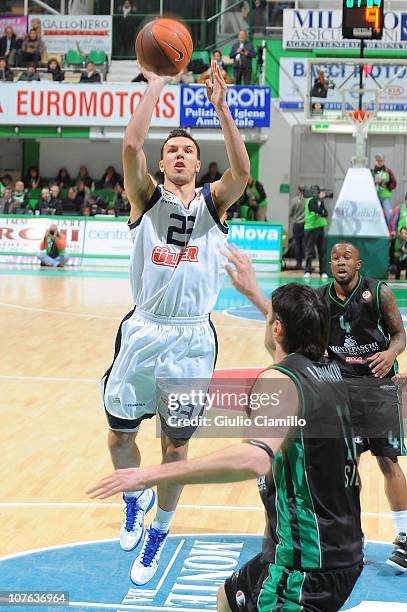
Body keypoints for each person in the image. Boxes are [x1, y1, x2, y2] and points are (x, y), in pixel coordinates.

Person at [88, 283, 363, 611]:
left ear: (277, 329)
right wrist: (253, 292)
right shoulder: (328, 369)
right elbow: (293, 333)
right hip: (339, 545)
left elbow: (253, 459)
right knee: (228, 598)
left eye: (270, 318)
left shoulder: (279, 381)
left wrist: (152, 475)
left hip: (307, 567)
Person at [98, 59, 249, 586]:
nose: (179, 154)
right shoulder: (146, 199)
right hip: (144, 328)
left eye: (188, 150)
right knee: (120, 435)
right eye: (172, 150)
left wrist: (222, 109)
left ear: (197, 162)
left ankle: (159, 532)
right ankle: (134, 501)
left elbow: (243, 173)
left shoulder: (213, 204)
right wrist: (157, 87)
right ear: (162, 164)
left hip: (190, 340)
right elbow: (129, 147)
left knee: (176, 447)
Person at [225, 242, 407, 572]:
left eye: (346, 257)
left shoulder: (379, 293)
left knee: (388, 462)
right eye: (334, 256)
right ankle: (355, 533)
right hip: (338, 391)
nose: (340, 261)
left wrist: (392, 354)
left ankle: (405, 536)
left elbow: (399, 335)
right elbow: (288, 323)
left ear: (359, 263)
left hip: (377, 389)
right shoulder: (320, 299)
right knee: (346, 468)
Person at [303, 185, 328, 279]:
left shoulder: (319, 202)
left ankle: (323, 271)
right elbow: (316, 210)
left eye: (317, 192)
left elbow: (325, 213)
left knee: (322, 251)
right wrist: (320, 210)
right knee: (310, 251)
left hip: (320, 228)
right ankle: (307, 270)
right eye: (315, 192)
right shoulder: (310, 201)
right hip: (311, 228)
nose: (316, 194)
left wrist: (322, 204)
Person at [372, 153, 396, 227]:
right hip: (375, 197)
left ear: (383, 161)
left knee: (389, 213)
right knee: (374, 214)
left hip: (385, 196)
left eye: (381, 161)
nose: (379, 162)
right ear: (375, 161)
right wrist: (374, 182)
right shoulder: (372, 172)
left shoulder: (388, 171)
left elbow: (394, 183)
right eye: (378, 161)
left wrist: (386, 184)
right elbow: (367, 184)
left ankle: (386, 228)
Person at [289, 185, 305, 270]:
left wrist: (294, 219)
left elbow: (290, 213)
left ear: (298, 190)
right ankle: (305, 263)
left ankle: (298, 263)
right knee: (304, 245)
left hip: (296, 225)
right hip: (305, 225)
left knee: (297, 244)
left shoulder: (294, 200)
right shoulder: (307, 201)